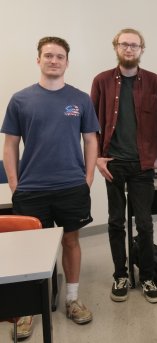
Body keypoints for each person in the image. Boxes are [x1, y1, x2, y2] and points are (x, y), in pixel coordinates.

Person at [2, 37, 98, 333]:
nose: (54, 60)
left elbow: (91, 140)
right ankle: (28, 308)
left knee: (71, 241)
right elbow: (10, 146)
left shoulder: (81, 99)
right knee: (31, 249)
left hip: (71, 187)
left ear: (67, 62)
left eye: (59, 56)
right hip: (31, 190)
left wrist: (89, 178)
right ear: (38, 60)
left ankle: (72, 299)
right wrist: (15, 185)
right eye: (48, 55)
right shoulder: (20, 99)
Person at [91, 28, 157, 303]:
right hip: (113, 163)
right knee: (115, 222)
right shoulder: (101, 81)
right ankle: (120, 275)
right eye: (124, 44)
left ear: (141, 50)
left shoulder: (154, 82)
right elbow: (92, 126)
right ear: (116, 47)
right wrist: (97, 157)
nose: (129, 49)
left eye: (134, 45)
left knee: (145, 223)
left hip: (142, 165)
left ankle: (147, 277)